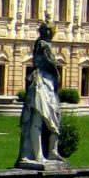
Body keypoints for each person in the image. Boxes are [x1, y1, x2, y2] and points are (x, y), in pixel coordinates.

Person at [18, 22, 64, 165]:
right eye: (51, 31)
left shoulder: (45, 45)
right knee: (38, 118)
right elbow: (50, 63)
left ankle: (52, 152)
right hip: (40, 83)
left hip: (48, 83)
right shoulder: (42, 45)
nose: (53, 34)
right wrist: (57, 74)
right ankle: (38, 155)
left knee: (54, 118)